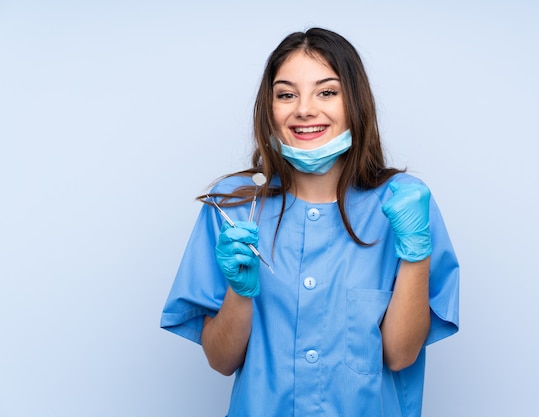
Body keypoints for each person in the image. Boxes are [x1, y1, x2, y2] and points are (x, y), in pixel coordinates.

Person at [161, 27, 459, 417]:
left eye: (327, 92)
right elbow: (221, 360)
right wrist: (239, 291)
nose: (304, 109)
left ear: (355, 102)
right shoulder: (232, 208)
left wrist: (416, 253)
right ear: (269, 109)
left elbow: (400, 356)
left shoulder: (404, 203)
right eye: (286, 94)